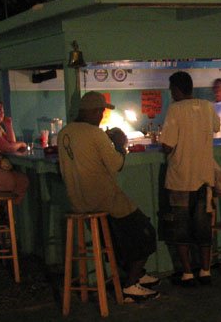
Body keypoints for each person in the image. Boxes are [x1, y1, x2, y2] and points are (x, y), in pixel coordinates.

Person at [58, 91, 160, 303]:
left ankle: (138, 275)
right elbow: (117, 164)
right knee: (146, 234)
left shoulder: (64, 133)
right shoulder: (95, 134)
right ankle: (131, 285)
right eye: (102, 111)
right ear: (95, 111)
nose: (102, 116)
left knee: (117, 239)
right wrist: (120, 144)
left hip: (78, 202)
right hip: (104, 199)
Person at [160, 71, 221, 286]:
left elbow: (167, 145)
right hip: (205, 179)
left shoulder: (175, 110)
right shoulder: (206, 106)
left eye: (171, 90)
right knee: (204, 227)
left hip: (181, 179)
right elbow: (216, 127)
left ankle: (187, 273)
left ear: (176, 90)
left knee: (181, 229)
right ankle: (205, 271)